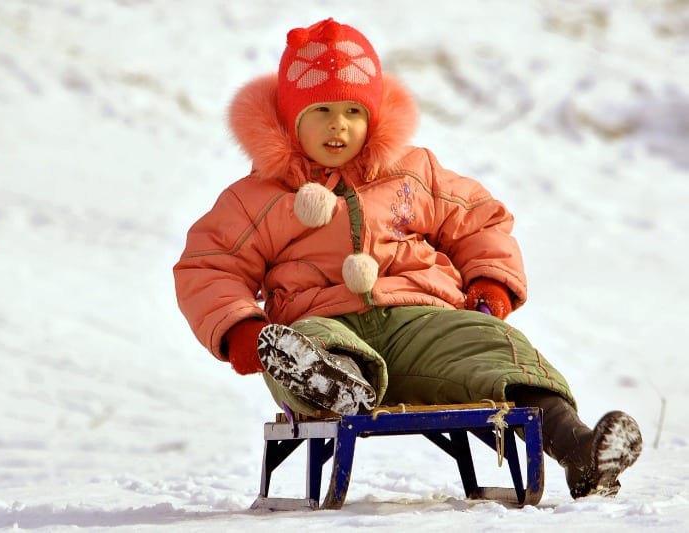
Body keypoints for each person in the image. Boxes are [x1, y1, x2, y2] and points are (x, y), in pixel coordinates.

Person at [173, 18, 642, 499]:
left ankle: (578, 448)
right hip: (320, 321)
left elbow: (478, 219)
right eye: (321, 111)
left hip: (417, 320)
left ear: (372, 116)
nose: (339, 125)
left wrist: (490, 282)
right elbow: (210, 264)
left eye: (354, 110)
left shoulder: (412, 171)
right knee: (300, 345)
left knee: (491, 344)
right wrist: (241, 329)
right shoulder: (258, 197)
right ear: (291, 119)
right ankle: (333, 383)